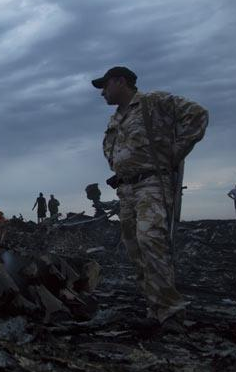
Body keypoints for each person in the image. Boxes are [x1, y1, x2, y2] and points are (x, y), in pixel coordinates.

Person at [94, 66, 208, 331]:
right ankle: (154, 309)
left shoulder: (153, 102)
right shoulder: (115, 119)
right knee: (136, 249)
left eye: (105, 85)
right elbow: (114, 151)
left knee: (151, 241)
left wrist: (173, 154)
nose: (102, 92)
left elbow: (198, 115)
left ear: (121, 81)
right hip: (126, 189)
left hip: (151, 185)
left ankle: (171, 313)